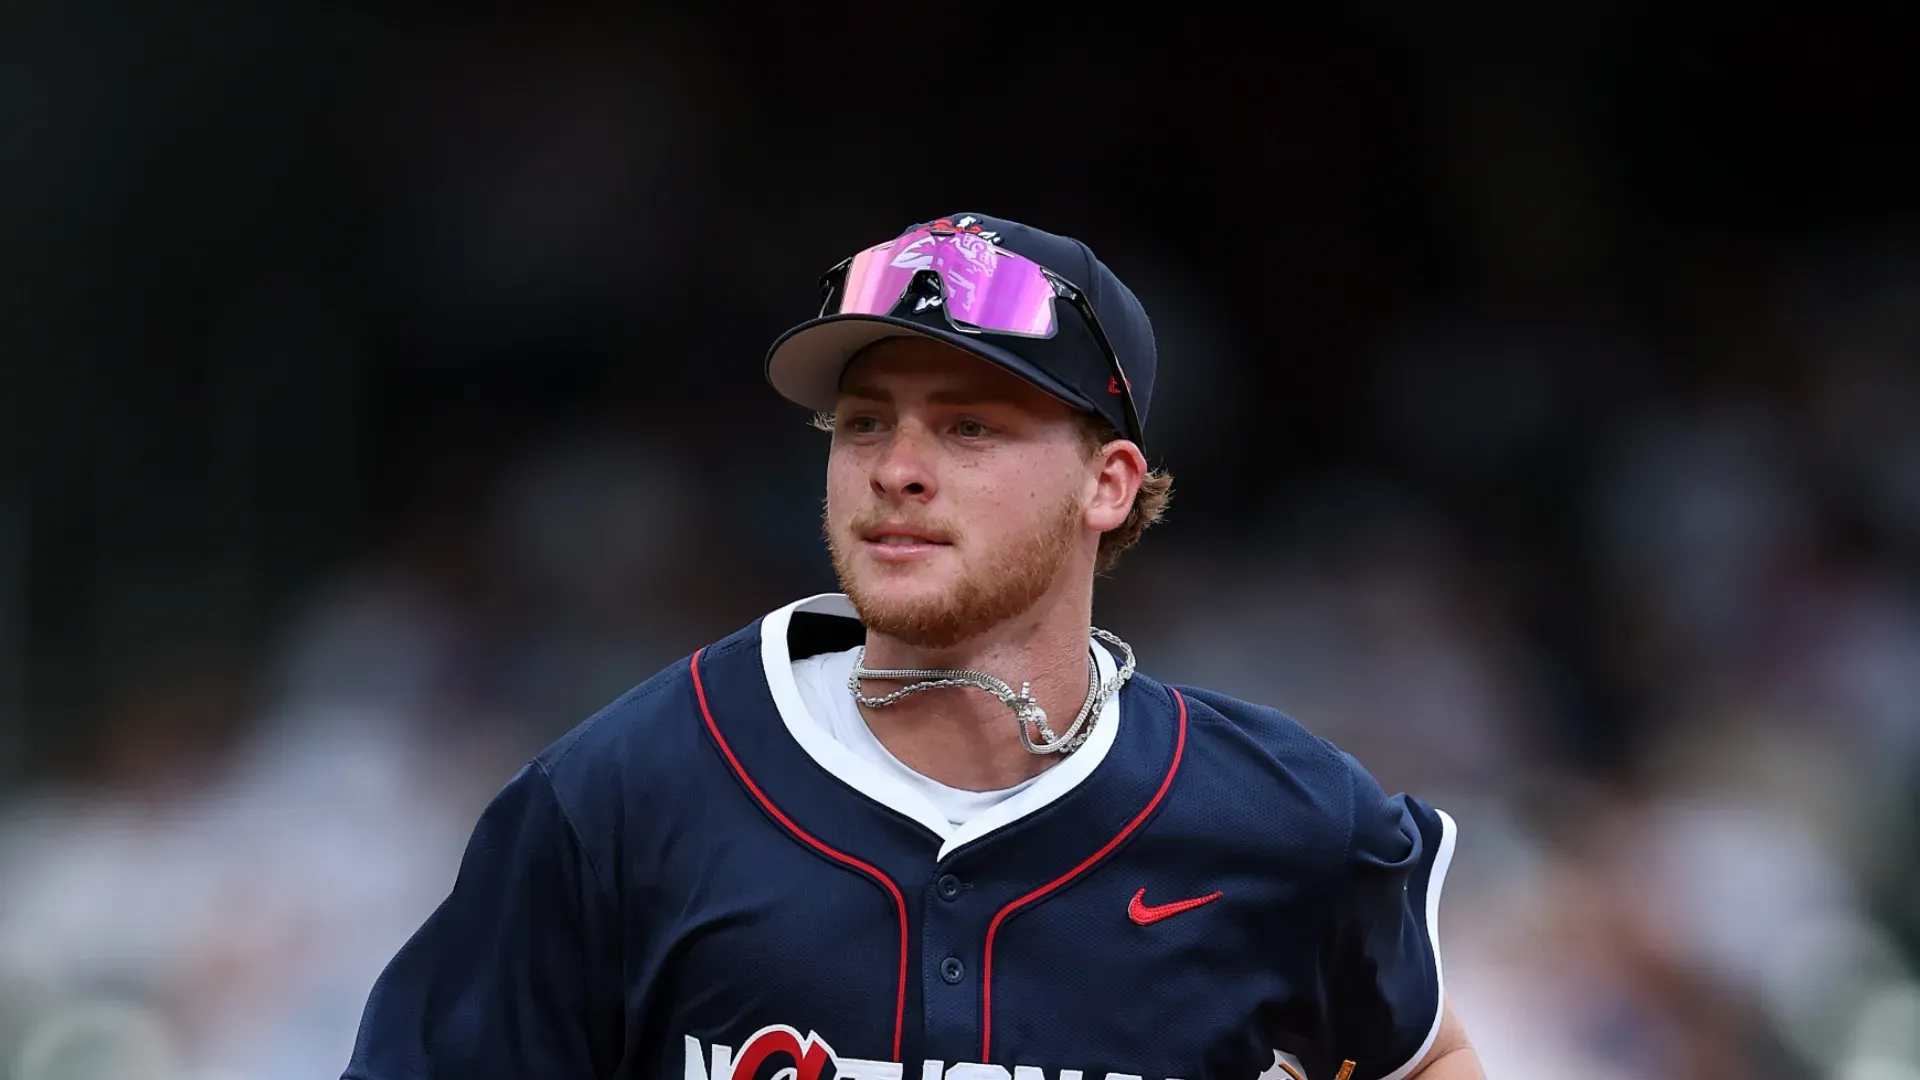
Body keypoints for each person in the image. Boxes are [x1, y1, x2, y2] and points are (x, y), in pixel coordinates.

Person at [342, 213, 1484, 1080]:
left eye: (971, 424)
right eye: (866, 421)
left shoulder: (1281, 820)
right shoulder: (619, 801)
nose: (898, 466)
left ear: (1109, 482)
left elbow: (1424, 1057)